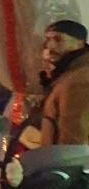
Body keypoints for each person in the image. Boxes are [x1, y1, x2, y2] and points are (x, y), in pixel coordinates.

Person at [37, 19, 89, 148]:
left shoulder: (78, 80)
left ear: (79, 43)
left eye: (58, 39)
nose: (50, 46)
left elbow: (73, 139)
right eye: (48, 39)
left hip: (64, 158)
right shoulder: (68, 74)